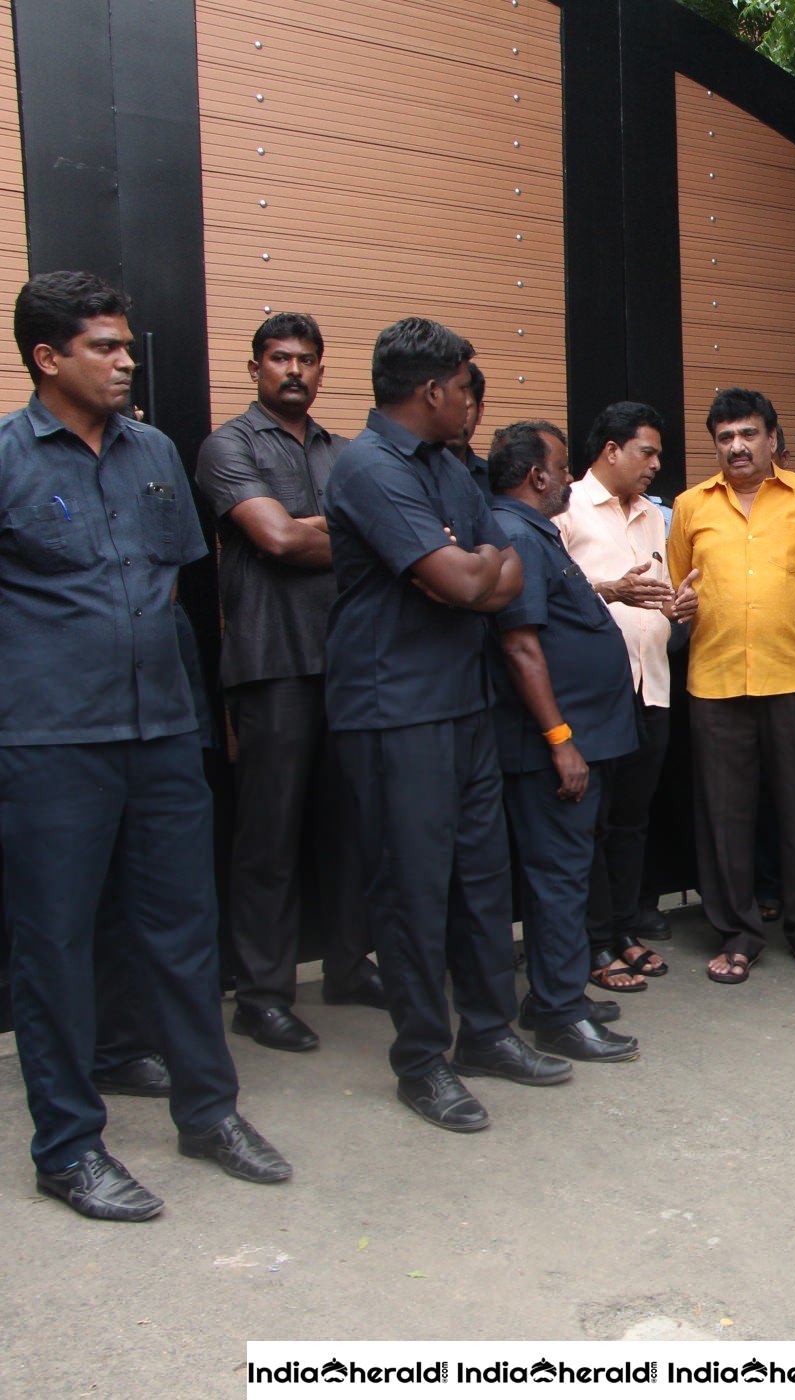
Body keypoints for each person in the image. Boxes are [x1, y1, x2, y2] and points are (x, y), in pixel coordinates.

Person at [0, 271, 289, 1220]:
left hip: (163, 732)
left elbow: (170, 590)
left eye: (128, 345)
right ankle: (68, 1148)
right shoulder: (7, 458)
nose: (128, 362)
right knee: (55, 944)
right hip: (50, 743)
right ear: (48, 357)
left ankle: (209, 1114)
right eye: (105, 347)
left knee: (182, 931)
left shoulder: (157, 451)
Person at [327, 317, 566, 1133]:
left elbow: (500, 565)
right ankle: (422, 1059)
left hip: (463, 703)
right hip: (395, 711)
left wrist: (468, 571)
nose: (473, 401)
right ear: (432, 390)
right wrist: (466, 571)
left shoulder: (453, 467)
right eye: (466, 386)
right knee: (413, 892)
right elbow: (465, 578)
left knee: (479, 882)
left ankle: (489, 1034)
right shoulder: (366, 468)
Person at [193, 312, 385, 1050]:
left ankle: (346, 963)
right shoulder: (227, 446)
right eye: (280, 359)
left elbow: (375, 540)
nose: (294, 371)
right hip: (272, 663)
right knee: (268, 839)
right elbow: (273, 538)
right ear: (255, 369)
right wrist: (338, 532)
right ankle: (263, 995)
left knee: (350, 828)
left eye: (307, 359)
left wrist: (318, 531)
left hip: (349, 663)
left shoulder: (344, 453)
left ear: (322, 370)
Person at [668, 387, 795, 983]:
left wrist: (787, 618)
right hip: (715, 681)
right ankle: (737, 933)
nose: (737, 447)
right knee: (724, 816)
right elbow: (680, 590)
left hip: (794, 674)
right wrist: (687, 606)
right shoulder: (691, 506)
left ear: (773, 438)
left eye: (748, 434)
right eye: (725, 437)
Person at [486, 421, 644, 1061]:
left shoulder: (529, 533)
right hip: (554, 748)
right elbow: (521, 646)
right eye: (561, 466)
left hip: (579, 738)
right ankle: (558, 1013)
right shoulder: (516, 534)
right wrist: (560, 740)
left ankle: (553, 992)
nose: (570, 480)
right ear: (538, 476)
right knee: (558, 878)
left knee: (565, 874)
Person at [559, 400, 679, 991]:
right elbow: (547, 591)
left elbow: (656, 591)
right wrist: (611, 590)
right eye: (646, 452)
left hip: (650, 683)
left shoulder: (655, 516)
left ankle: (624, 929)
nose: (656, 463)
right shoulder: (566, 506)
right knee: (592, 823)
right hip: (594, 695)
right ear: (611, 451)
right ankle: (592, 940)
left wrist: (679, 605)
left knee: (633, 820)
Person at [448, 360, 489, 495]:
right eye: (449, 405)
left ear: (480, 412)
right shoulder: (408, 472)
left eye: (465, 406)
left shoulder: (494, 479)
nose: (456, 414)